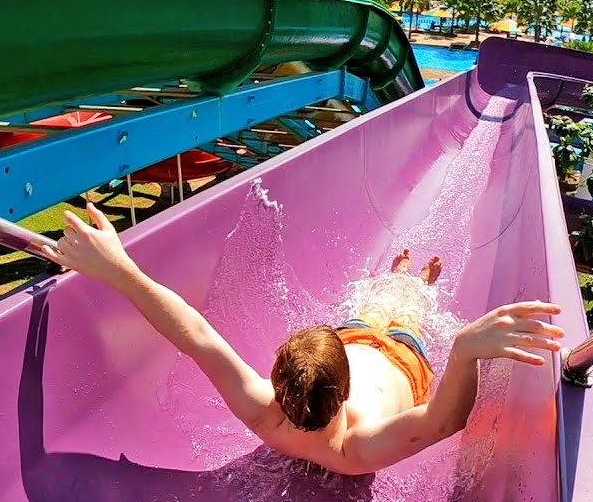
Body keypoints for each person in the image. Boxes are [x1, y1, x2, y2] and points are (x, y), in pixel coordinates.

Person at [56, 204, 565, 476]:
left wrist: (119, 270)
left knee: (369, 313)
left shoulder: (262, 412)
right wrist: (463, 348)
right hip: (401, 358)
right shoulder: (356, 447)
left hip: (353, 339)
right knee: (407, 315)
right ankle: (414, 286)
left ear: (277, 383)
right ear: (342, 396)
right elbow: (443, 419)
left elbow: (195, 335)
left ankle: (395, 285)